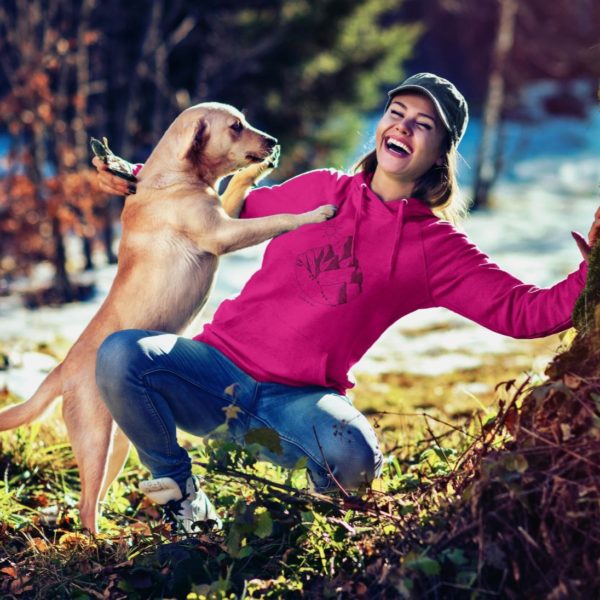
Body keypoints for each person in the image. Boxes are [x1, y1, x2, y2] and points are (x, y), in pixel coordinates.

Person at [94, 73, 599, 533]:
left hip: (296, 407)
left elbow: (522, 311)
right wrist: (140, 178)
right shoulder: (320, 187)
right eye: (397, 113)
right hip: (211, 376)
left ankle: (300, 529)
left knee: (355, 453)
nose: (404, 127)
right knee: (121, 355)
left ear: (442, 150)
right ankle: (182, 496)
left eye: (423, 124)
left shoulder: (434, 248)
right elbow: (219, 208)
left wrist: (591, 272)